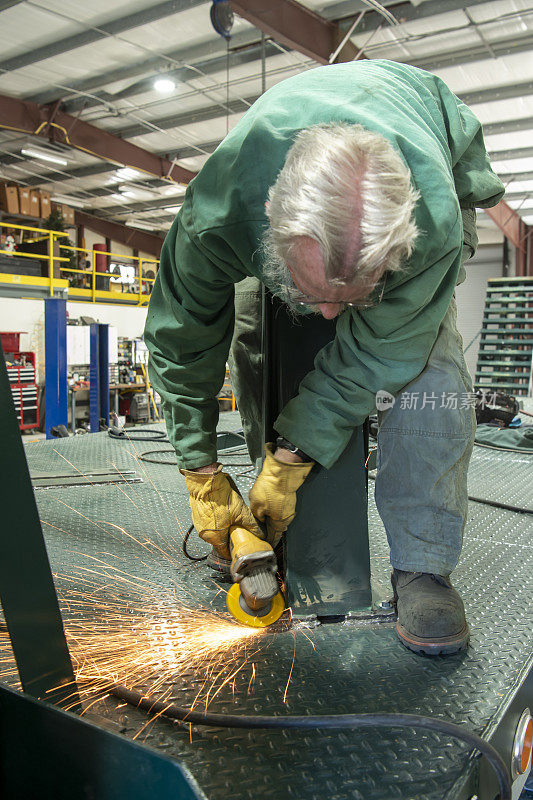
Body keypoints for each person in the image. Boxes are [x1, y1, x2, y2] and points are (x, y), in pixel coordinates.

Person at [144, 59, 504, 655]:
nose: (331, 317)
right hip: (262, 202)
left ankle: (423, 566)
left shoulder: (429, 227)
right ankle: (269, 532)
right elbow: (183, 338)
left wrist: (293, 459)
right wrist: (199, 468)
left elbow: (375, 354)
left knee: (427, 376)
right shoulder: (220, 210)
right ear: (273, 232)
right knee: (257, 343)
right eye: (317, 295)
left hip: (420, 156)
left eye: (352, 298)